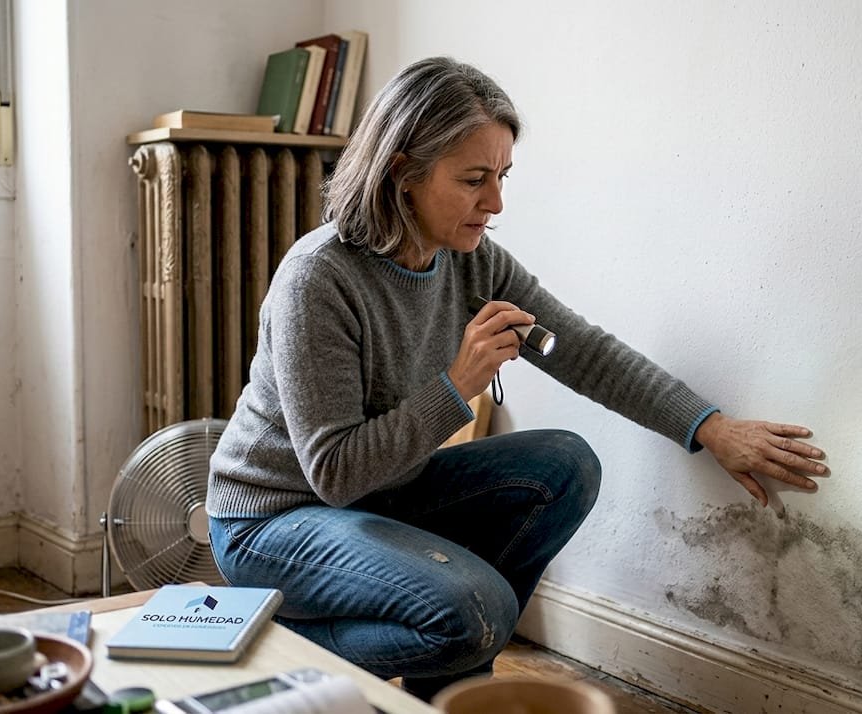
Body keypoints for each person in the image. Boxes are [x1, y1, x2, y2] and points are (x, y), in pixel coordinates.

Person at [207, 56, 828, 701]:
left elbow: (583, 351)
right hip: (274, 520)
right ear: (403, 172)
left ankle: (449, 684)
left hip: (382, 494)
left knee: (564, 463)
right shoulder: (319, 278)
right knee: (478, 612)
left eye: (502, 176)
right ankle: (284, 647)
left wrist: (709, 426)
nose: (496, 203)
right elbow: (334, 474)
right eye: (475, 179)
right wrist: (457, 385)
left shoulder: (473, 263)